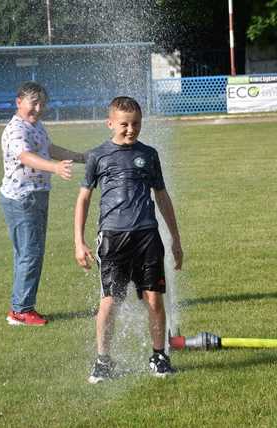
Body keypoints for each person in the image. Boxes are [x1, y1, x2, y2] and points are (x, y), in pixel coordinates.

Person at [74, 96, 183, 383]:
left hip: (147, 236)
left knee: (154, 300)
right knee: (110, 301)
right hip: (112, 239)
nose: (130, 129)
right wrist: (79, 241)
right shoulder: (98, 156)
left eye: (136, 124)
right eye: (124, 124)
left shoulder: (149, 154)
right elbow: (83, 198)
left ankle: (159, 356)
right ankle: (103, 361)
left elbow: (161, 196)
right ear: (110, 123)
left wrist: (175, 238)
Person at [0, 81, 85, 325]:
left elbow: (48, 148)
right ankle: (21, 311)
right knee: (30, 254)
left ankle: (20, 307)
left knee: (28, 253)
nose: (38, 108)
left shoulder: (35, 125)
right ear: (19, 102)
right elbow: (26, 156)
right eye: (33, 103)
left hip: (35, 195)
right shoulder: (16, 129)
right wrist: (55, 168)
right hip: (23, 199)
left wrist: (79, 157)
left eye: (42, 104)